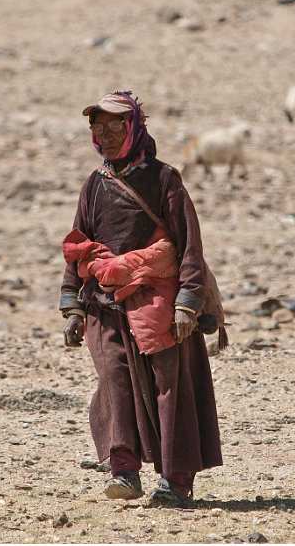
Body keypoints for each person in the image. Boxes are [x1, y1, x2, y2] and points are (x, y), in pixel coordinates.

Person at [59, 91, 223, 505]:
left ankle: (175, 480)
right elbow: (79, 243)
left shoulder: (165, 179)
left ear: (133, 127)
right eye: (98, 126)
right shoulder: (94, 185)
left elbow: (188, 245)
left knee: (170, 387)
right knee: (114, 382)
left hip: (160, 304)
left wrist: (188, 300)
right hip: (106, 304)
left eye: (115, 125)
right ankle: (124, 471)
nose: (106, 134)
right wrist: (72, 304)